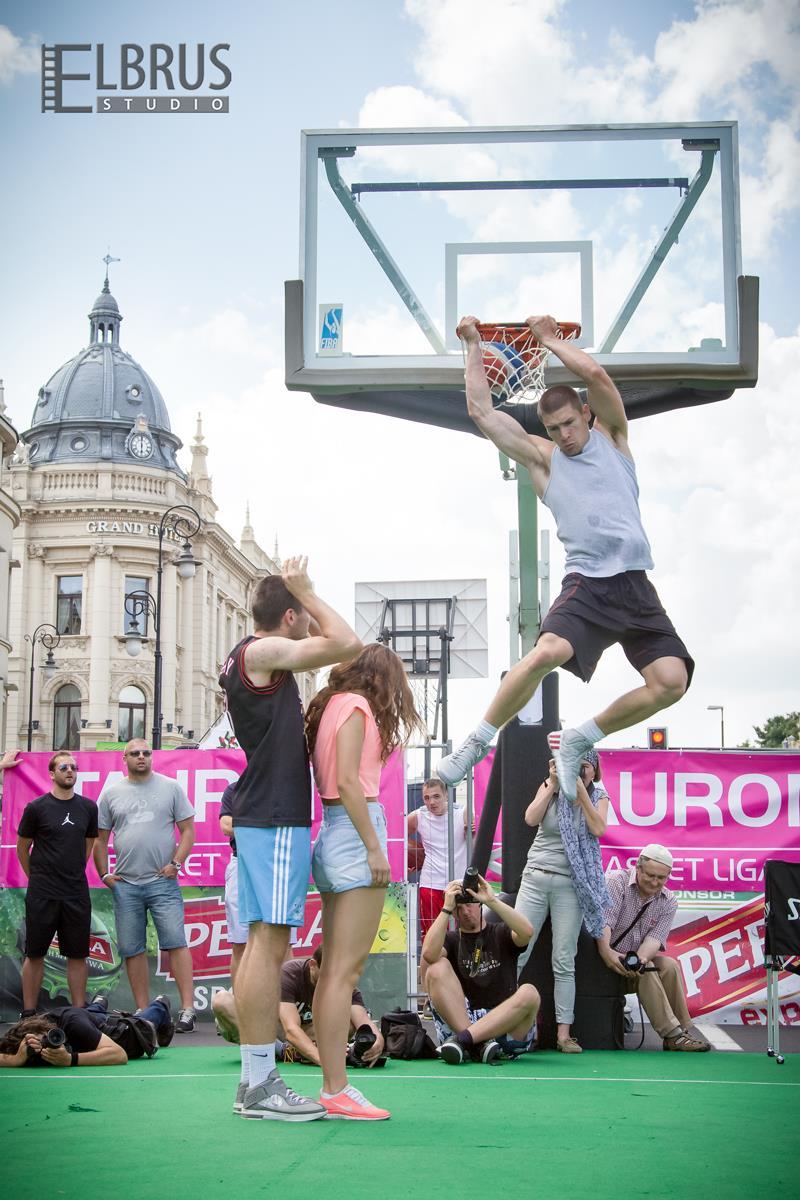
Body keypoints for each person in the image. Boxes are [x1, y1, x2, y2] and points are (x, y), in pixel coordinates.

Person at [437, 315, 693, 801]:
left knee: (671, 682)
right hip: (588, 584)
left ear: (587, 415)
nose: (564, 435)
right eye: (554, 428)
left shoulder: (615, 440)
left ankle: (581, 737)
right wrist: (473, 345)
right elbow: (483, 415)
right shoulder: (543, 458)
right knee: (548, 652)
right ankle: (476, 742)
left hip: (635, 586)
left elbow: (597, 378)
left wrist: (551, 341)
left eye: (570, 424)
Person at [218, 556, 361, 1123]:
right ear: (290, 614)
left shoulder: (251, 656)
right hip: (274, 817)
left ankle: (255, 1078)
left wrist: (302, 594)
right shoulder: (261, 650)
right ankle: (258, 1083)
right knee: (270, 947)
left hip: (266, 814)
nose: (310, 620)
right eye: (303, 610)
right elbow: (346, 643)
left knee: (261, 944)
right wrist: (308, 590)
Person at [305, 641, 423, 1120]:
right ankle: (336, 1087)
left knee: (334, 970)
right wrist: (376, 846)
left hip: (336, 833)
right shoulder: (355, 706)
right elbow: (351, 782)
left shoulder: (332, 704)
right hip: (355, 835)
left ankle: (335, 1084)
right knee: (341, 973)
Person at [93, 740, 197, 1032]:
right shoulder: (111, 793)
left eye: (146, 753)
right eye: (135, 753)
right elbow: (99, 839)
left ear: (152, 757)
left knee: (176, 942)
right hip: (125, 884)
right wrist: (103, 874)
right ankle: (143, 1011)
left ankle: (188, 1010)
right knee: (132, 949)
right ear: (124, 758)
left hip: (162, 882)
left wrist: (175, 864)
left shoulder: (171, 787)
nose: (141, 757)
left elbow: (188, 831)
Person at [514, 750, 608, 1052]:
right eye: (576, 767)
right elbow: (530, 818)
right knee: (518, 950)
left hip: (572, 883)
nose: (581, 773)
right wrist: (554, 784)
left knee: (564, 959)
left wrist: (580, 793)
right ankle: (496, 1019)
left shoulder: (598, 795)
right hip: (536, 876)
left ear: (594, 770)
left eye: (586, 768)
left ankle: (564, 1034)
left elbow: (598, 829)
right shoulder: (550, 785)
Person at [598, 844, 710, 1052]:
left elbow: (654, 939)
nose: (655, 882)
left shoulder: (669, 900)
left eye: (662, 878)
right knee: (648, 968)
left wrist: (638, 961)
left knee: (667, 965)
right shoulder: (615, 882)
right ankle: (672, 1034)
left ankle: (681, 1031)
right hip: (600, 961)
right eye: (650, 875)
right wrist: (607, 954)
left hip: (626, 964)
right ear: (638, 868)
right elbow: (603, 924)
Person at [422, 873, 539, 1064]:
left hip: (503, 1025)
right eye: (459, 908)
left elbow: (527, 932)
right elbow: (429, 955)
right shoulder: (451, 940)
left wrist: (492, 900)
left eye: (470, 903)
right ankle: (475, 1043)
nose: (466, 911)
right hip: (462, 1023)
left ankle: (468, 1040)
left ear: (479, 903)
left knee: (530, 992)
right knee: (436, 968)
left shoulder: (500, 932)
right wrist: (446, 908)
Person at [16, 752, 98, 1014]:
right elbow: (22, 848)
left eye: (74, 767)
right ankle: (28, 1013)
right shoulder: (36, 808)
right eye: (64, 767)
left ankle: (79, 1013)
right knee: (35, 953)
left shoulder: (88, 807)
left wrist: (71, 871)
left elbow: (88, 845)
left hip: (75, 892)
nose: (70, 771)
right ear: (52, 773)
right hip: (42, 893)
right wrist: (37, 877)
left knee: (77, 954)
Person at [211, 944, 385, 1068]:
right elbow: (290, 1030)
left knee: (350, 1025)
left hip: (308, 1032)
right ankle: (281, 1050)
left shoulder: (343, 984)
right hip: (268, 1028)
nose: (332, 980)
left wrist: (378, 1041)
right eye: (326, 973)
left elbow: (363, 1022)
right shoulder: (289, 973)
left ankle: (291, 1051)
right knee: (222, 1001)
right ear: (313, 965)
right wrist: (321, 1059)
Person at [0, 995, 174, 1068]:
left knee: (144, 1025)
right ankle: (97, 1005)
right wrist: (15, 1059)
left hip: (120, 1035)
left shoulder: (72, 1024)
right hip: (87, 1020)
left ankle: (161, 1004)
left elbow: (119, 1054)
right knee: (91, 1016)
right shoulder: (22, 1035)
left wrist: (70, 1059)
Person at [407, 777, 469, 937]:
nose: (431, 802)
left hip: (460, 884)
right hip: (431, 884)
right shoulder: (418, 816)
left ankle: (458, 963)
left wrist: (473, 831)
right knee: (432, 935)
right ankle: (434, 963)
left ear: (446, 795)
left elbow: (478, 844)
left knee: (465, 934)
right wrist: (410, 857)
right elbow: (397, 837)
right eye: (427, 798)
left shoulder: (463, 813)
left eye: (436, 796)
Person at [218, 781, 248, 990]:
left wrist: (244, 824)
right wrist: (262, 824)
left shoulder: (282, 787)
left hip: (276, 866)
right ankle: (239, 1008)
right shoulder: (235, 789)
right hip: (242, 863)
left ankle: (285, 1009)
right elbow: (227, 826)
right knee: (240, 942)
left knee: (283, 945)